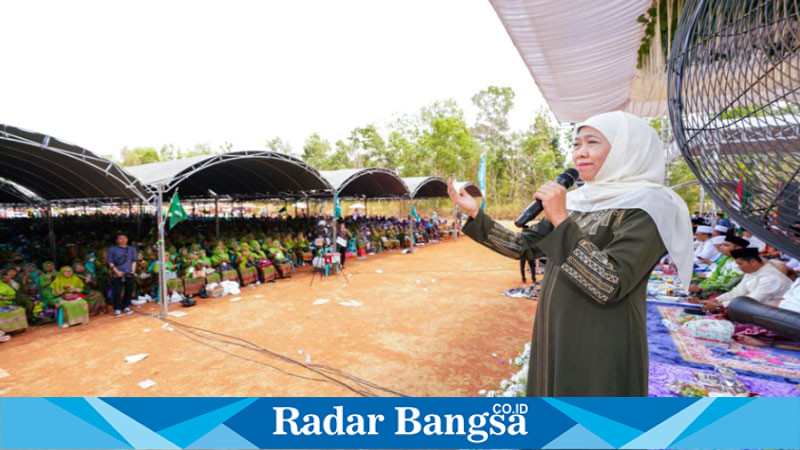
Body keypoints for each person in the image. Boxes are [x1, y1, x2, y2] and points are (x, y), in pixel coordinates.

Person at [450, 111, 693, 396]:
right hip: (555, 326)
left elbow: (610, 282)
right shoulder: (578, 200)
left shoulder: (651, 205)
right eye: (577, 144)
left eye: (592, 142)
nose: (580, 153)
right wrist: (475, 213)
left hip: (600, 336)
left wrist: (562, 220)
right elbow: (522, 246)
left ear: (628, 149)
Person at [699, 247, 793, 313]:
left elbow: (752, 300)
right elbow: (737, 292)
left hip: (773, 313)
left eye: (740, 264)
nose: (739, 267)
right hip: (755, 308)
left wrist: (720, 306)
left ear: (753, 262)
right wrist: (715, 301)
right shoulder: (752, 272)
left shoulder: (771, 278)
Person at [107, 234, 137, 317]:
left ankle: (126, 306)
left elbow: (134, 261)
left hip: (129, 273)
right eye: (120, 238)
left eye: (124, 238)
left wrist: (133, 271)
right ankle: (117, 308)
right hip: (117, 273)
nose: (123, 240)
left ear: (127, 239)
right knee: (117, 291)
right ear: (117, 240)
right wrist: (116, 271)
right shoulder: (112, 249)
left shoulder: (132, 249)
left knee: (129, 290)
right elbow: (110, 262)